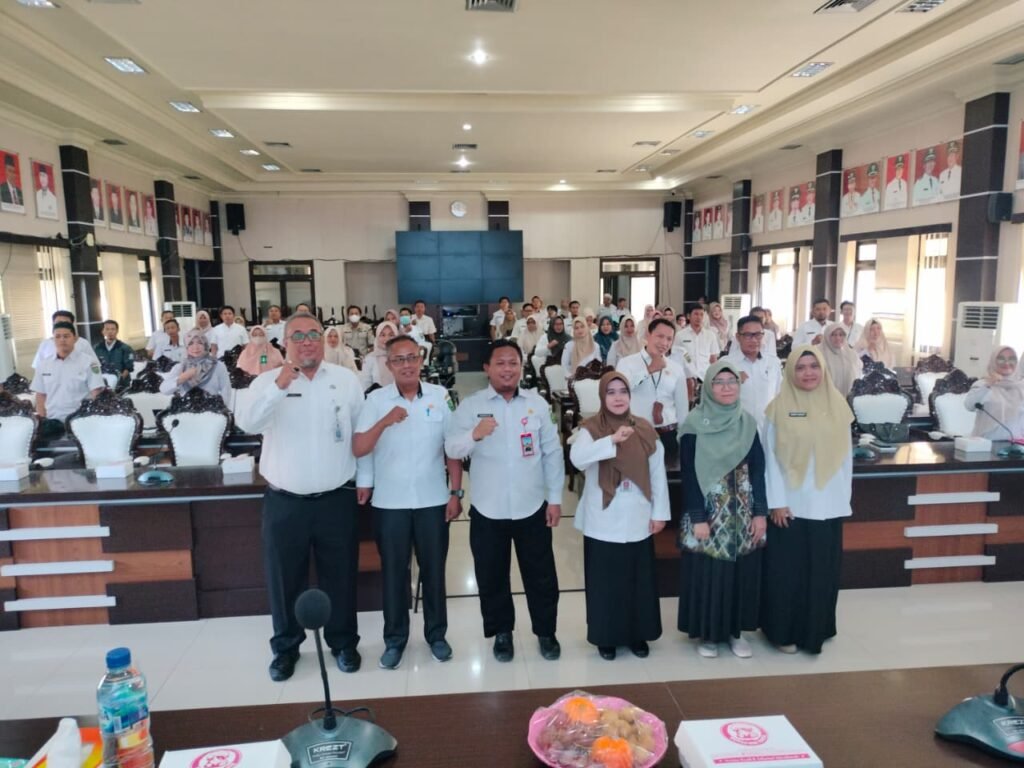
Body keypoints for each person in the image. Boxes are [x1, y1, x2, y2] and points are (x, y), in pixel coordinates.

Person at [235, 311, 366, 680]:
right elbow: (248, 423)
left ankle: (343, 643)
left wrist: (366, 480)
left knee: (340, 575)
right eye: (298, 336)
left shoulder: (345, 380)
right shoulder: (265, 382)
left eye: (313, 334)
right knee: (284, 578)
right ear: (285, 342)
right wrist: (279, 385)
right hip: (284, 502)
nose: (307, 342)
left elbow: (360, 434)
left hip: (336, 498)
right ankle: (286, 648)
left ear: (323, 339)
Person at [445, 340, 564, 663]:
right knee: (491, 575)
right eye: (500, 363)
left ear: (521, 367)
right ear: (487, 368)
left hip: (532, 505)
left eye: (513, 363)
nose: (507, 369)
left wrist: (554, 499)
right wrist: (474, 435)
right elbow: (451, 448)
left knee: (541, 575)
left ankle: (546, 632)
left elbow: (552, 453)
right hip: (488, 508)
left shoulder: (537, 404)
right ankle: (501, 633)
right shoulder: (471, 406)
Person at [354, 335, 462, 670]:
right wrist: (384, 422)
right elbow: (359, 447)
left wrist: (456, 492)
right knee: (394, 574)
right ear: (388, 365)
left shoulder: (441, 396)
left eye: (412, 357)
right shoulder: (375, 400)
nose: (406, 365)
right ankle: (395, 639)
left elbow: (452, 447)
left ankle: (437, 635)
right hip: (391, 502)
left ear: (421, 360)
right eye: (399, 359)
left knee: (434, 572)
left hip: (432, 499)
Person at [761, 345, 854, 655]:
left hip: (828, 504)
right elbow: (770, 460)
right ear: (790, 372)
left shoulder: (838, 405)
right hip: (791, 506)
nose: (808, 373)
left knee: (822, 572)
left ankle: (818, 629)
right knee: (788, 574)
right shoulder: (777, 408)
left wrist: (843, 499)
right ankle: (782, 631)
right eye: (800, 367)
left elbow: (846, 459)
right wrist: (776, 501)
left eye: (814, 366)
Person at [570, 371, 668, 660]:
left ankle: (638, 635)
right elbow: (577, 459)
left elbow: (657, 474)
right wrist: (611, 440)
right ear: (602, 397)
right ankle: (606, 637)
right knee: (606, 583)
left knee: (637, 580)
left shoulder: (645, 429)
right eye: (610, 392)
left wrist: (660, 513)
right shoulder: (590, 429)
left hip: (638, 514)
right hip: (603, 518)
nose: (617, 397)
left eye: (622, 391)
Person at [678, 360, 767, 659]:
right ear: (708, 387)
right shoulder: (693, 424)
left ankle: (735, 632)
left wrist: (760, 512)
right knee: (710, 574)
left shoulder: (748, 423)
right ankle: (709, 635)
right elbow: (689, 473)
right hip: (708, 511)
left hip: (741, 513)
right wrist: (698, 517)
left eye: (732, 382)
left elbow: (758, 470)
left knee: (739, 574)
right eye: (719, 382)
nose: (726, 388)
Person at [615, 318, 689, 453]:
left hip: (668, 434)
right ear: (648, 335)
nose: (664, 343)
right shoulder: (626, 363)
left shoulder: (676, 368)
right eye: (660, 336)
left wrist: (682, 437)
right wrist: (648, 370)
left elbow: (682, 407)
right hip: (636, 433)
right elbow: (620, 391)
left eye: (669, 339)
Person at [31, 321, 104, 438]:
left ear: (75, 338)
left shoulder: (89, 362)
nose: (62, 340)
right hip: (53, 422)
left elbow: (97, 394)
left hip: (81, 421)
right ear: (53, 339)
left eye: (66, 336)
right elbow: (40, 396)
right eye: (58, 336)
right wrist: (42, 420)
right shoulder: (44, 364)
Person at [726, 315, 782, 425]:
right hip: (737, 427)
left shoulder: (773, 363)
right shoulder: (726, 364)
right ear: (738, 337)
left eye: (758, 335)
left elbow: (779, 395)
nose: (754, 340)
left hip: (766, 427)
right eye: (748, 335)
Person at [965, 347, 1024, 440]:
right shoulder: (983, 384)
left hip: (1016, 444)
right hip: (986, 442)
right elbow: (969, 405)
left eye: (1011, 359)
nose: (1007, 363)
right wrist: (989, 384)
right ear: (993, 361)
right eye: (1001, 359)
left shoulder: (1021, 386)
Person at [160, 329, 232, 403]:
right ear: (186, 347)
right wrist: (183, 377)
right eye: (190, 343)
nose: (195, 347)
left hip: (211, 408)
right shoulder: (181, 367)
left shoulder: (217, 366)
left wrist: (220, 408)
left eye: (200, 343)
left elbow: (226, 392)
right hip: (186, 408)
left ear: (205, 345)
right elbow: (164, 389)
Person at [32, 310, 98, 369]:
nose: (62, 325)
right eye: (58, 323)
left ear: (72, 325)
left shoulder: (83, 343)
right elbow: (38, 367)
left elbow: (94, 366)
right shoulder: (45, 344)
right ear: (53, 324)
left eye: (66, 323)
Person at [675, 304, 721, 383]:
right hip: (686, 378)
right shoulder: (680, 335)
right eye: (696, 314)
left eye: (701, 314)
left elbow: (713, 359)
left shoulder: (710, 335)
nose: (699, 317)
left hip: (705, 377)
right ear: (688, 316)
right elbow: (676, 357)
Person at [819, 323, 862, 397]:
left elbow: (858, 374)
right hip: (825, 397)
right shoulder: (819, 353)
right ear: (827, 336)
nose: (838, 338)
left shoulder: (852, 355)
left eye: (841, 335)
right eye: (833, 335)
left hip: (848, 398)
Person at [93, 320, 134, 390]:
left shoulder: (125, 348)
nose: (110, 332)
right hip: (102, 384)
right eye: (107, 329)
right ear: (103, 331)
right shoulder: (97, 348)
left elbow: (128, 367)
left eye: (113, 329)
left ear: (117, 331)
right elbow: (94, 365)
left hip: (122, 385)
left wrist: (119, 380)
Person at [361, 321, 397, 390]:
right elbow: (365, 385)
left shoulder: (402, 357)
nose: (387, 339)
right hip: (376, 396)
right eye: (382, 335)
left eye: (391, 335)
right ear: (377, 337)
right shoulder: (370, 359)